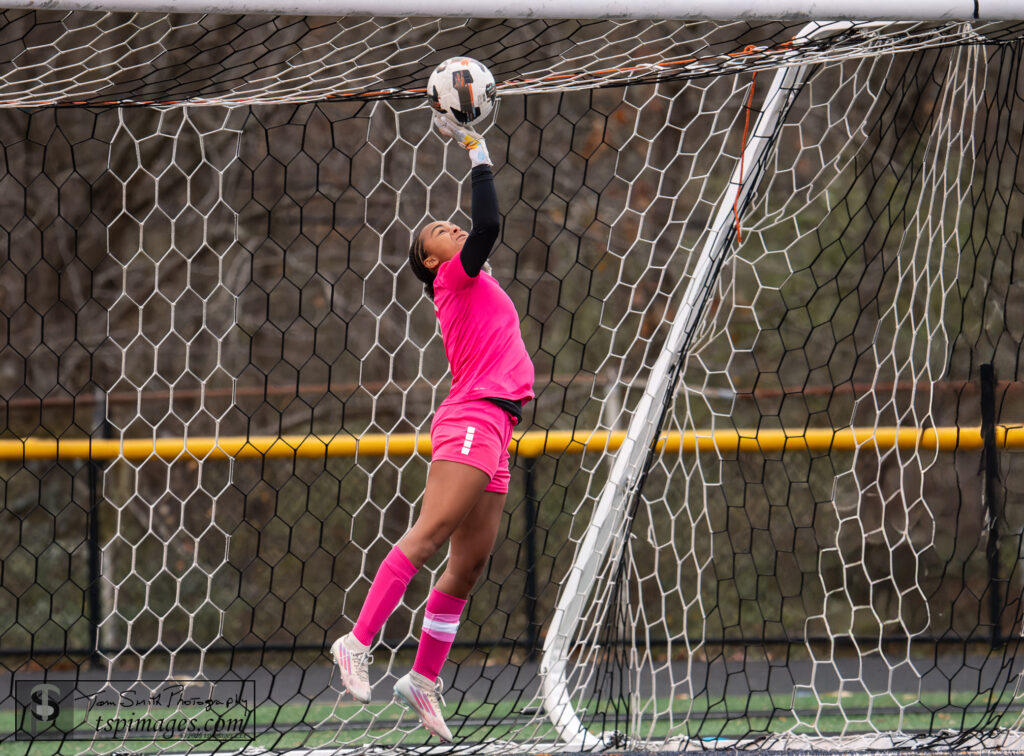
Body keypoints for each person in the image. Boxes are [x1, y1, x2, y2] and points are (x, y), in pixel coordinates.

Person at [330, 113, 534, 743]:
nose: (450, 227)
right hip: (473, 417)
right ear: (429, 259)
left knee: (467, 566)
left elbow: (483, 234)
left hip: (498, 426)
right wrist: (476, 149)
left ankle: (421, 680)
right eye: (437, 232)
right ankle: (357, 642)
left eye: (449, 224)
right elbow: (491, 225)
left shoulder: (475, 282)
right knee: (434, 531)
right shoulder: (453, 277)